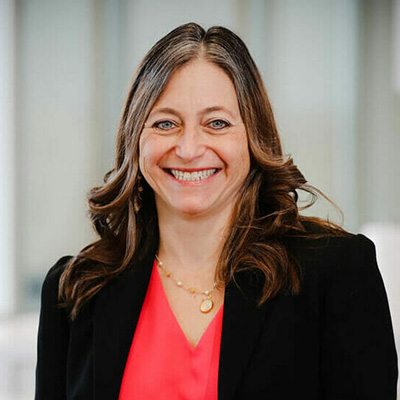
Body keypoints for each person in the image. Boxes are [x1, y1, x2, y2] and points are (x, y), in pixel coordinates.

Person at [35, 22, 398, 400]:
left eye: (217, 123)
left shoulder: (337, 273)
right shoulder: (74, 291)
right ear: (135, 140)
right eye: (165, 123)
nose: (190, 148)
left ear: (253, 136)